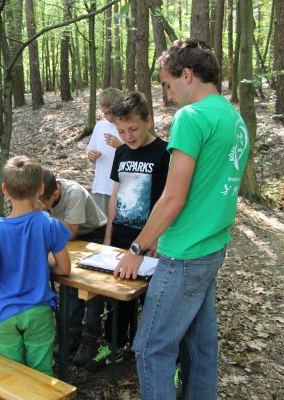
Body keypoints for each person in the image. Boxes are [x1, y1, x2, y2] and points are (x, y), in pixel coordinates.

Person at [115, 39, 249, 400]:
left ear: (187, 74)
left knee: (151, 348)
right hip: (213, 246)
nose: (169, 94)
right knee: (199, 345)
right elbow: (210, 186)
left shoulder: (192, 117)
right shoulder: (234, 118)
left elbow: (173, 197)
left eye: (168, 83)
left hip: (185, 254)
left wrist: (136, 247)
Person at [83, 92, 169, 373]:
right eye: (121, 130)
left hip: (150, 243)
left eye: (133, 128)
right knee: (118, 299)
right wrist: (108, 234)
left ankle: (154, 355)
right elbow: (115, 194)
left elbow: (169, 201)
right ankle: (114, 346)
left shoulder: (165, 153)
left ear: (148, 121)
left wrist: (158, 239)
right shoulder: (121, 152)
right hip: (121, 237)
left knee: (152, 303)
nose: (128, 135)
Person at [0, 156, 72, 376]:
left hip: (5, 312)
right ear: (40, 189)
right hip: (39, 310)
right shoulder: (49, 224)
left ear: (4, 190)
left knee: (9, 375)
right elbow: (65, 268)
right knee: (41, 373)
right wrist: (41, 266)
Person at [39, 167, 106, 362]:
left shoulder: (73, 193)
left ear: (56, 194)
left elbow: (72, 233)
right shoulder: (45, 191)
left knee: (91, 290)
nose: (38, 205)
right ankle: (72, 334)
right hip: (66, 238)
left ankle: (91, 338)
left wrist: (46, 223)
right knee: (68, 284)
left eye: (43, 202)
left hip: (92, 236)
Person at [86, 88, 125, 214]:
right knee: (101, 228)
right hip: (101, 187)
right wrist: (91, 156)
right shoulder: (100, 126)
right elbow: (91, 152)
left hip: (123, 189)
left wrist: (120, 146)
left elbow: (138, 156)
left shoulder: (128, 126)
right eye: (104, 113)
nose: (107, 117)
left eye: (109, 112)